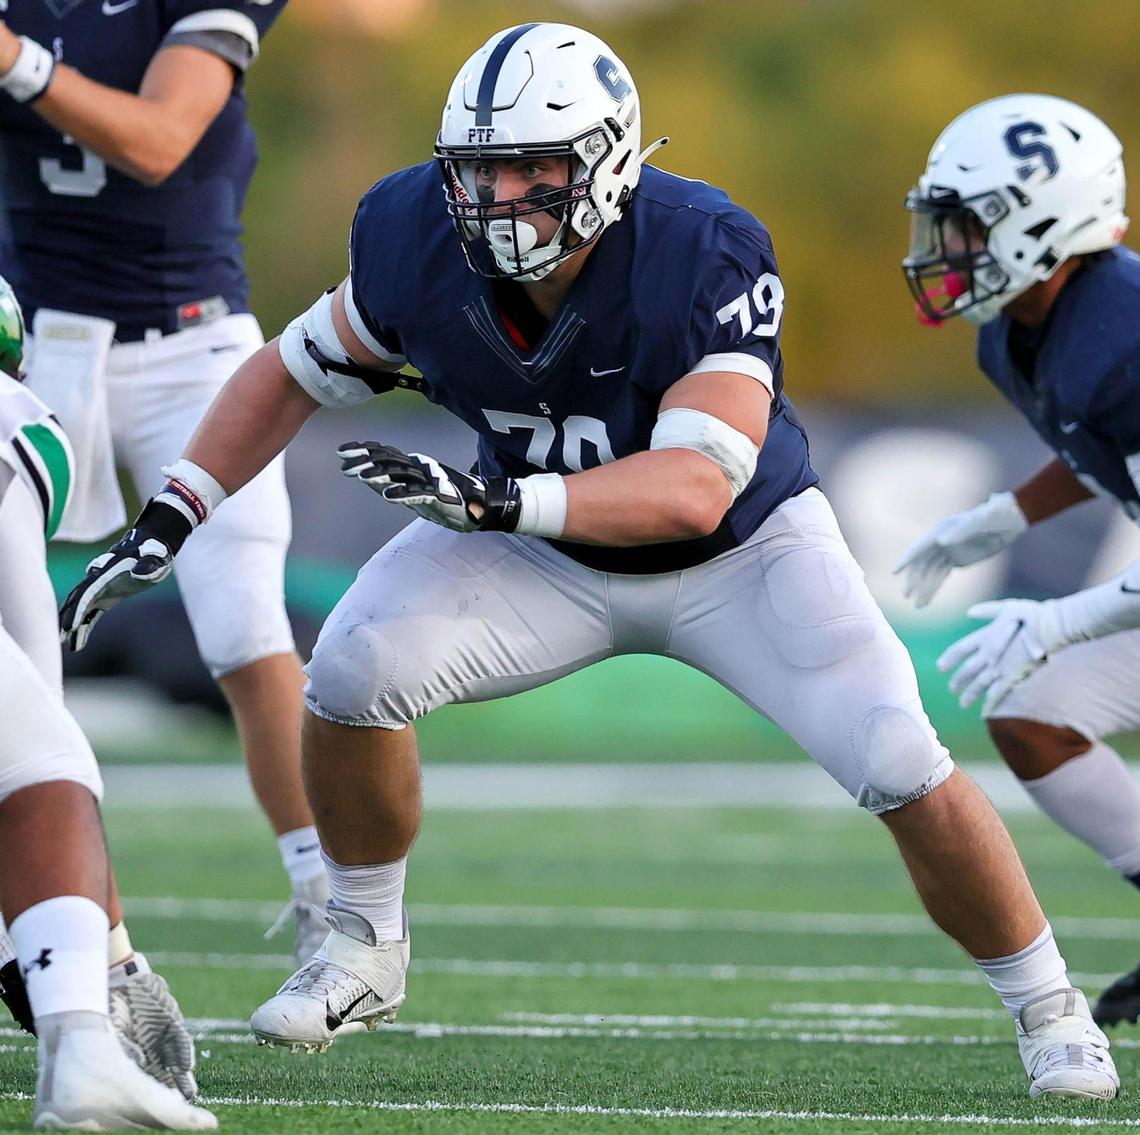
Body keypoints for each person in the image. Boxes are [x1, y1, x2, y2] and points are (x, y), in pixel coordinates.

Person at [61, 24, 1117, 1098]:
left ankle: (1050, 1008)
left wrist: (503, 499)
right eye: (479, 169)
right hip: (529, 546)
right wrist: (173, 512)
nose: (502, 194)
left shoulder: (698, 246)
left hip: (739, 554)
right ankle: (363, 948)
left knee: (899, 755)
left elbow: (696, 483)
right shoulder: (410, 234)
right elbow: (285, 371)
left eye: (535, 167)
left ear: (609, 160)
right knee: (351, 668)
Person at [0, 0, 330, 965]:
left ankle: (334, 905)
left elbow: (159, 139)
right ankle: (81, 939)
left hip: (193, 344)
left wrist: (15, 59)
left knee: (244, 627)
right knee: (25, 647)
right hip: (42, 353)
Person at [895, 93, 1140, 1028]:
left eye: (967, 227)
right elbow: (1097, 444)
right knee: (1034, 713)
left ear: (1045, 222)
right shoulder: (1020, 326)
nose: (945, 249)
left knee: (1041, 677)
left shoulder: (1124, 331)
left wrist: (1061, 616)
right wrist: (1004, 516)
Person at [0, 275, 214, 1129]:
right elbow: (28, 720)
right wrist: (105, 961)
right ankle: (83, 1049)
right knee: (47, 764)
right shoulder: (17, 419)